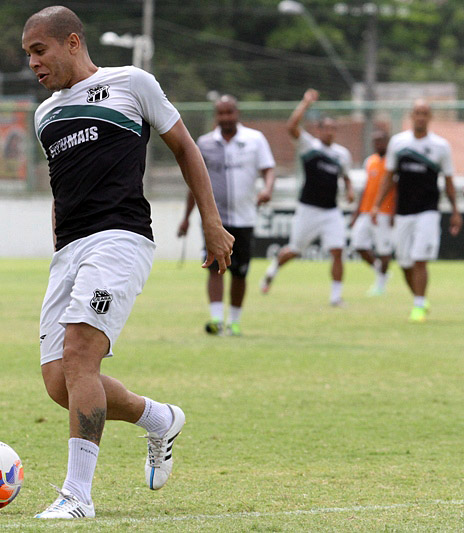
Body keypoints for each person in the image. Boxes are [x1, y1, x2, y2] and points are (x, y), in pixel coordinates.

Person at [22, 6, 234, 519]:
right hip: (69, 250)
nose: (33, 63)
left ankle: (77, 496)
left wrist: (211, 220)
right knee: (59, 384)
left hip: (120, 239)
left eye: (39, 50)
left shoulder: (131, 83)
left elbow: (184, 147)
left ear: (72, 42)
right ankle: (159, 418)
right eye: (27, 54)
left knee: (79, 358)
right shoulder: (45, 114)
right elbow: (61, 189)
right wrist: (58, 244)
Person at [177, 95, 275, 336]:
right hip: (214, 219)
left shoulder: (254, 139)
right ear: (216, 116)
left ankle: (235, 322)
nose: (225, 117)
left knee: (240, 272)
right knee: (214, 268)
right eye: (221, 113)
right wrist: (187, 217)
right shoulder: (205, 143)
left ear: (237, 113)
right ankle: (217, 320)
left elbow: (268, 169)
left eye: (229, 112)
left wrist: (267, 189)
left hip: (245, 218)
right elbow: (194, 182)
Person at [260, 89, 354, 306]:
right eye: (326, 128)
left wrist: (349, 190)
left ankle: (335, 297)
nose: (329, 132)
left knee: (338, 250)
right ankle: (272, 270)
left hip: (331, 211)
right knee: (294, 250)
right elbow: (291, 127)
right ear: (319, 130)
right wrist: (306, 103)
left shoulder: (342, 155)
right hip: (308, 209)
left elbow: (346, 176)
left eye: (333, 129)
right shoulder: (309, 146)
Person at [370, 100, 461, 322]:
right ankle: (420, 298)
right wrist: (377, 204)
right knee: (404, 262)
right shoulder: (398, 144)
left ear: (429, 117)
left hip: (428, 211)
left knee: (420, 259)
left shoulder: (441, 146)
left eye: (425, 113)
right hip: (403, 212)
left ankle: (418, 305)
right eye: (417, 113)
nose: (420, 117)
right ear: (411, 115)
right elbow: (388, 177)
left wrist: (456, 211)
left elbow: (448, 181)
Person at [349, 129, 394, 296]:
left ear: (387, 142)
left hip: (384, 212)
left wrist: (393, 213)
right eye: (375, 141)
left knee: (384, 250)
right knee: (358, 244)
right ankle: (381, 272)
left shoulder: (392, 162)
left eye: (381, 141)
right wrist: (356, 213)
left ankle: (380, 285)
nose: (378, 144)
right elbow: (365, 188)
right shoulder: (370, 161)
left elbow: (396, 189)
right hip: (367, 212)